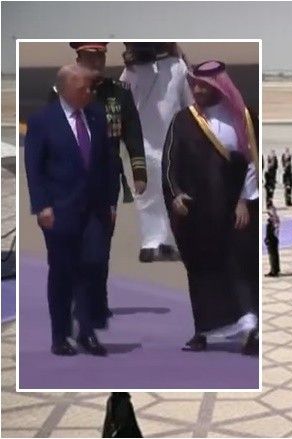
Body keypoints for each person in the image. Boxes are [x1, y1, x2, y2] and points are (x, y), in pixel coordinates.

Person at [162, 60, 260, 352]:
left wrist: (243, 201)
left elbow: (253, 163)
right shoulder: (183, 120)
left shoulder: (243, 117)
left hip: (234, 210)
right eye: (195, 86)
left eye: (205, 86)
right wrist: (176, 194)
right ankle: (204, 331)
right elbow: (169, 163)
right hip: (198, 214)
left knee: (240, 266)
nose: (198, 91)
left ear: (220, 86)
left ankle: (250, 330)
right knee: (201, 270)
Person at [51, 42, 147, 327]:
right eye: (90, 56)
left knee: (100, 244)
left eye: (100, 56)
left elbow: (133, 133)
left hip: (105, 182)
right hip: (69, 183)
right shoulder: (60, 93)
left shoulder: (119, 93)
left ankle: (96, 302)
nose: (96, 62)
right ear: (79, 57)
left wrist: (139, 172)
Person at [25, 64, 117, 356]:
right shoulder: (43, 121)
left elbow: (108, 162)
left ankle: (87, 331)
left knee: (93, 266)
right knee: (63, 272)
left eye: (90, 88)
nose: (89, 92)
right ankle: (60, 335)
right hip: (59, 210)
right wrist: (41, 206)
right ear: (65, 89)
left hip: (95, 210)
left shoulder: (97, 115)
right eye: (83, 88)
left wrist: (111, 201)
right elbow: (34, 168)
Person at [121, 42, 192, 263]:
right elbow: (189, 104)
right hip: (163, 145)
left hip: (147, 146)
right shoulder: (176, 67)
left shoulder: (131, 71)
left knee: (151, 196)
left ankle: (153, 244)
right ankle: (162, 243)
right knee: (163, 194)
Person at [264, 207, 280, 277]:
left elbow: (273, 231)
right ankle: (276, 269)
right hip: (274, 239)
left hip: (272, 239)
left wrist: (268, 239)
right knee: (274, 255)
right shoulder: (275, 219)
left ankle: (273, 271)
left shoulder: (273, 221)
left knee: (272, 256)